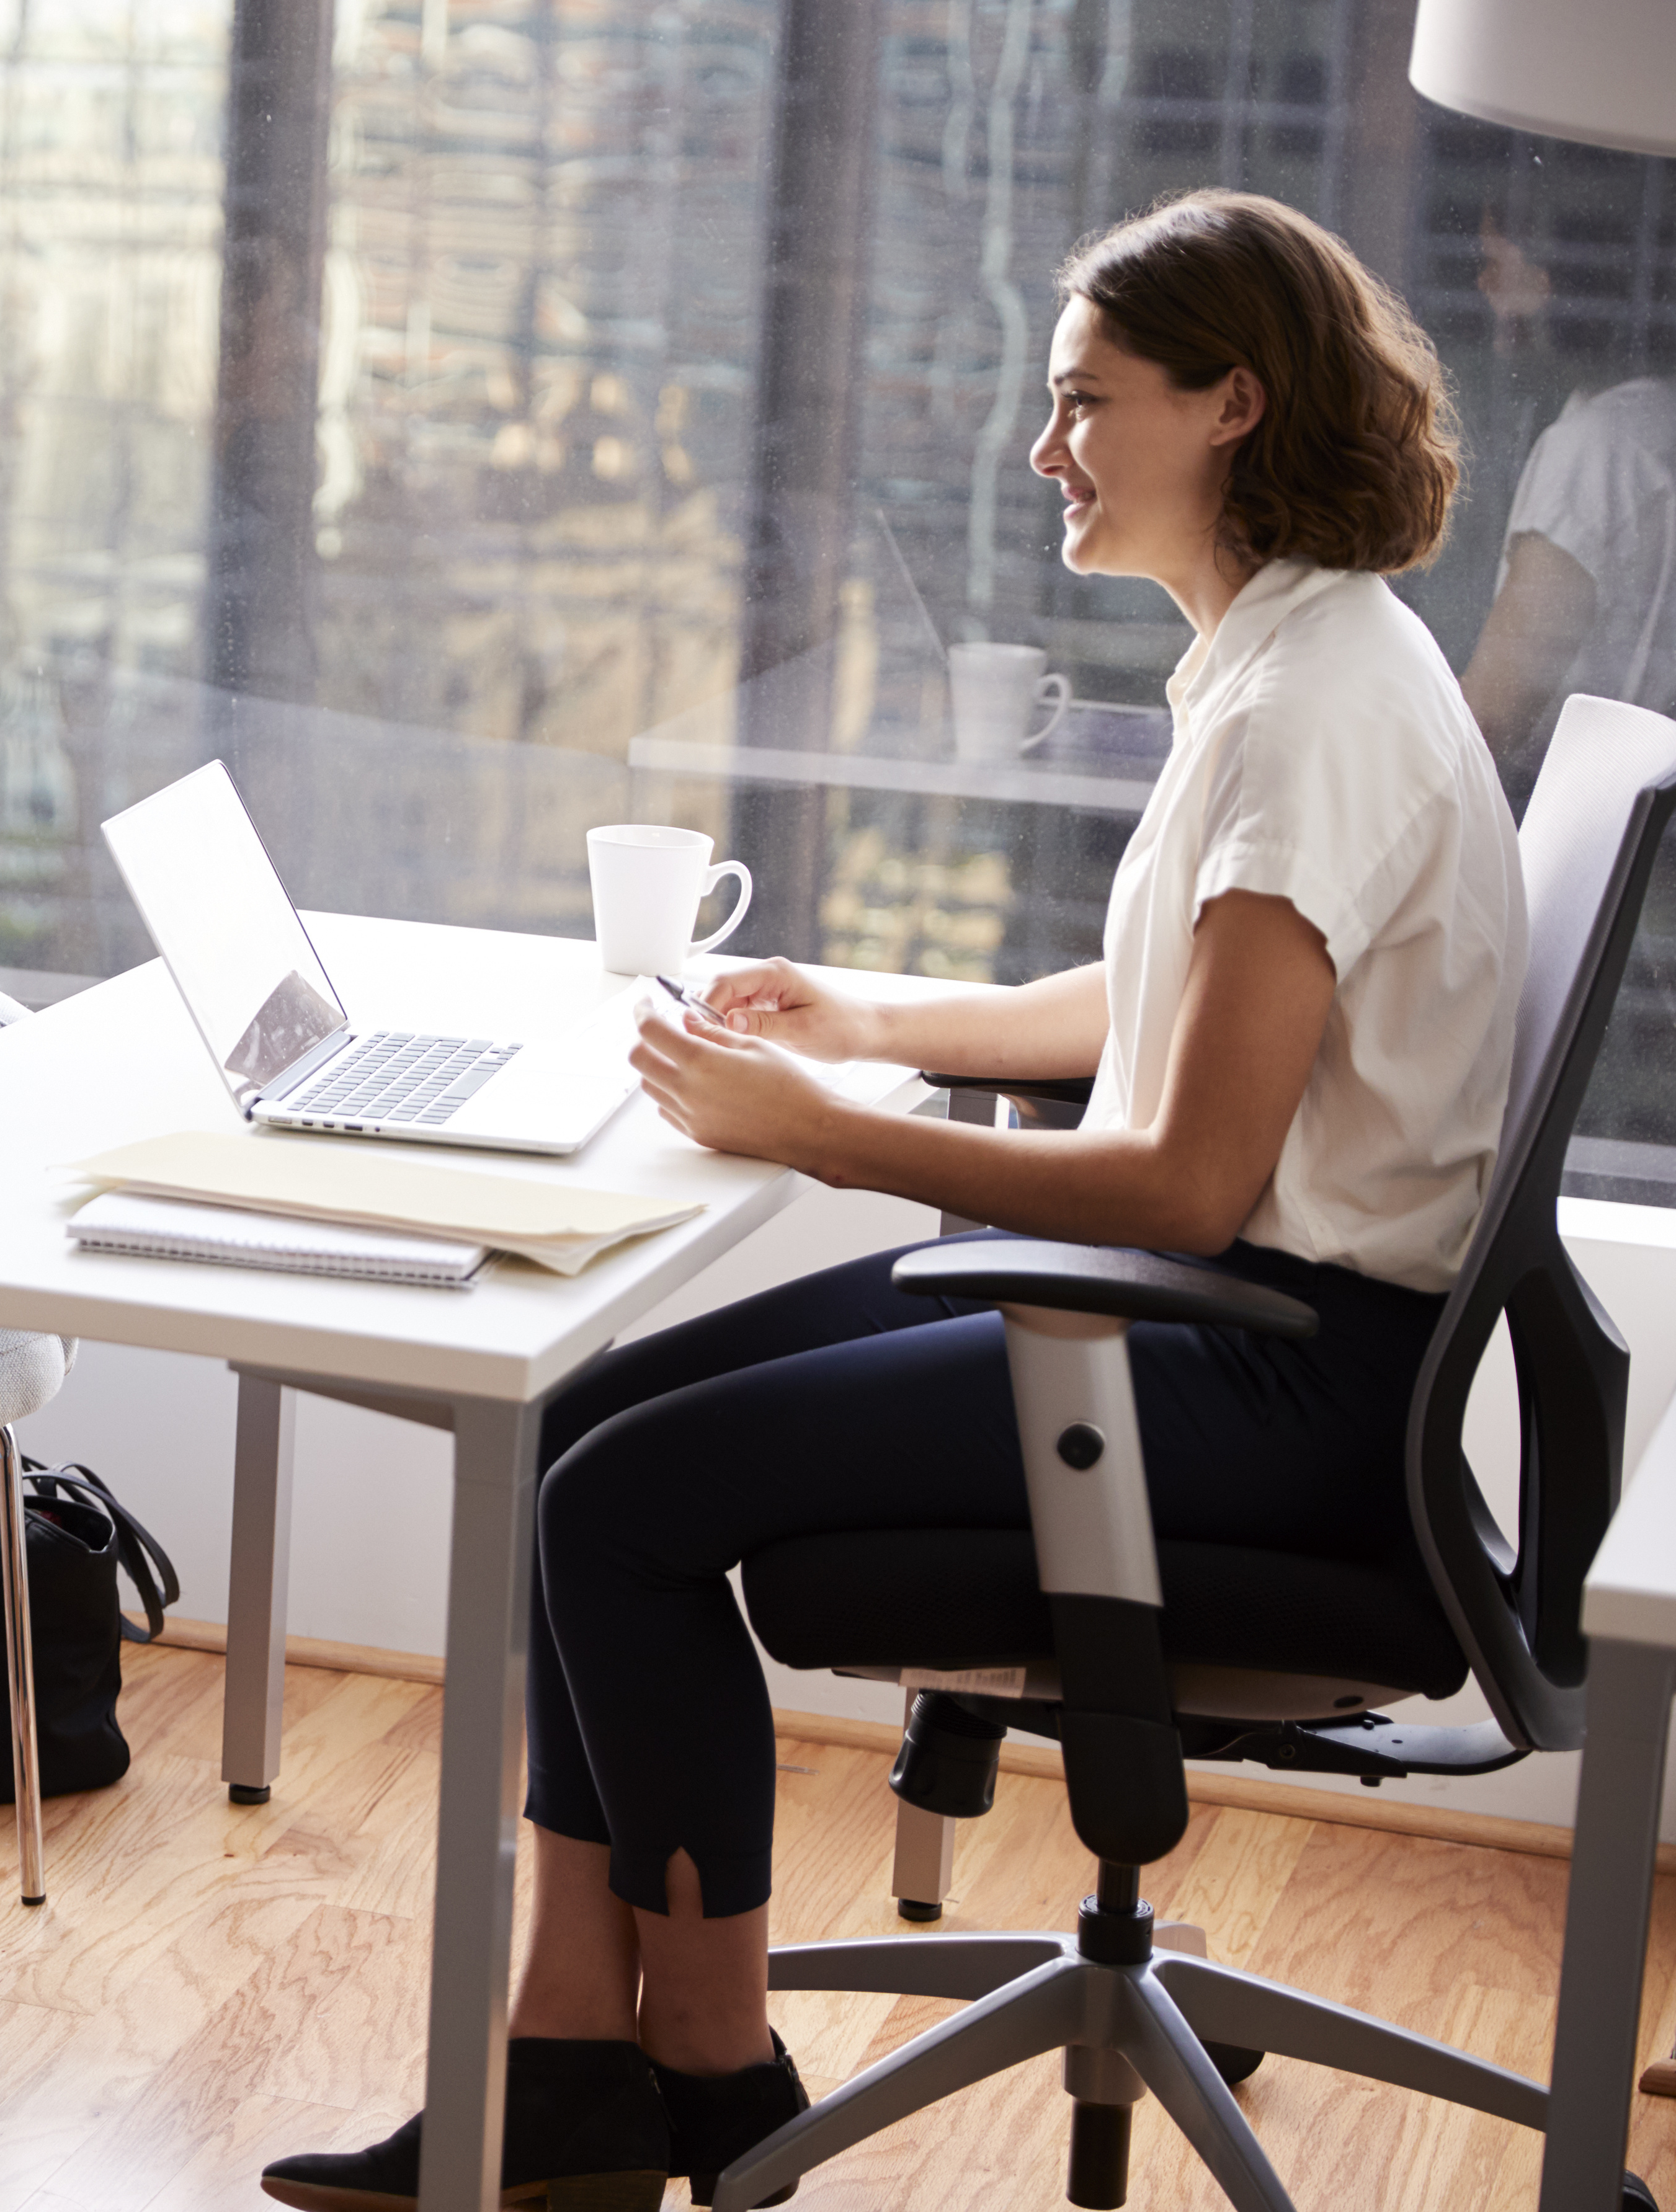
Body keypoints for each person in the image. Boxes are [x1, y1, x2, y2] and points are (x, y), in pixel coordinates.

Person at [262, 189, 1519, 2212]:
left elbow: (1195, 1169)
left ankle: (710, 2065)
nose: (1043, 454)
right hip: (1212, 1311)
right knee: (577, 1424)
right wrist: (861, 1015)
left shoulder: (1308, 709)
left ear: (1231, 405)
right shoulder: (1295, 660)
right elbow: (1179, 997)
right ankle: (563, 2056)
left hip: (1269, 1370)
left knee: (612, 1502)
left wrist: (814, 1129)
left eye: (1083, 404)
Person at [1458, 374, 1676, 796]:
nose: (1495, 304)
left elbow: (1486, 719)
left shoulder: (1598, 446)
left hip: (1575, 814)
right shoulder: (1644, 421)